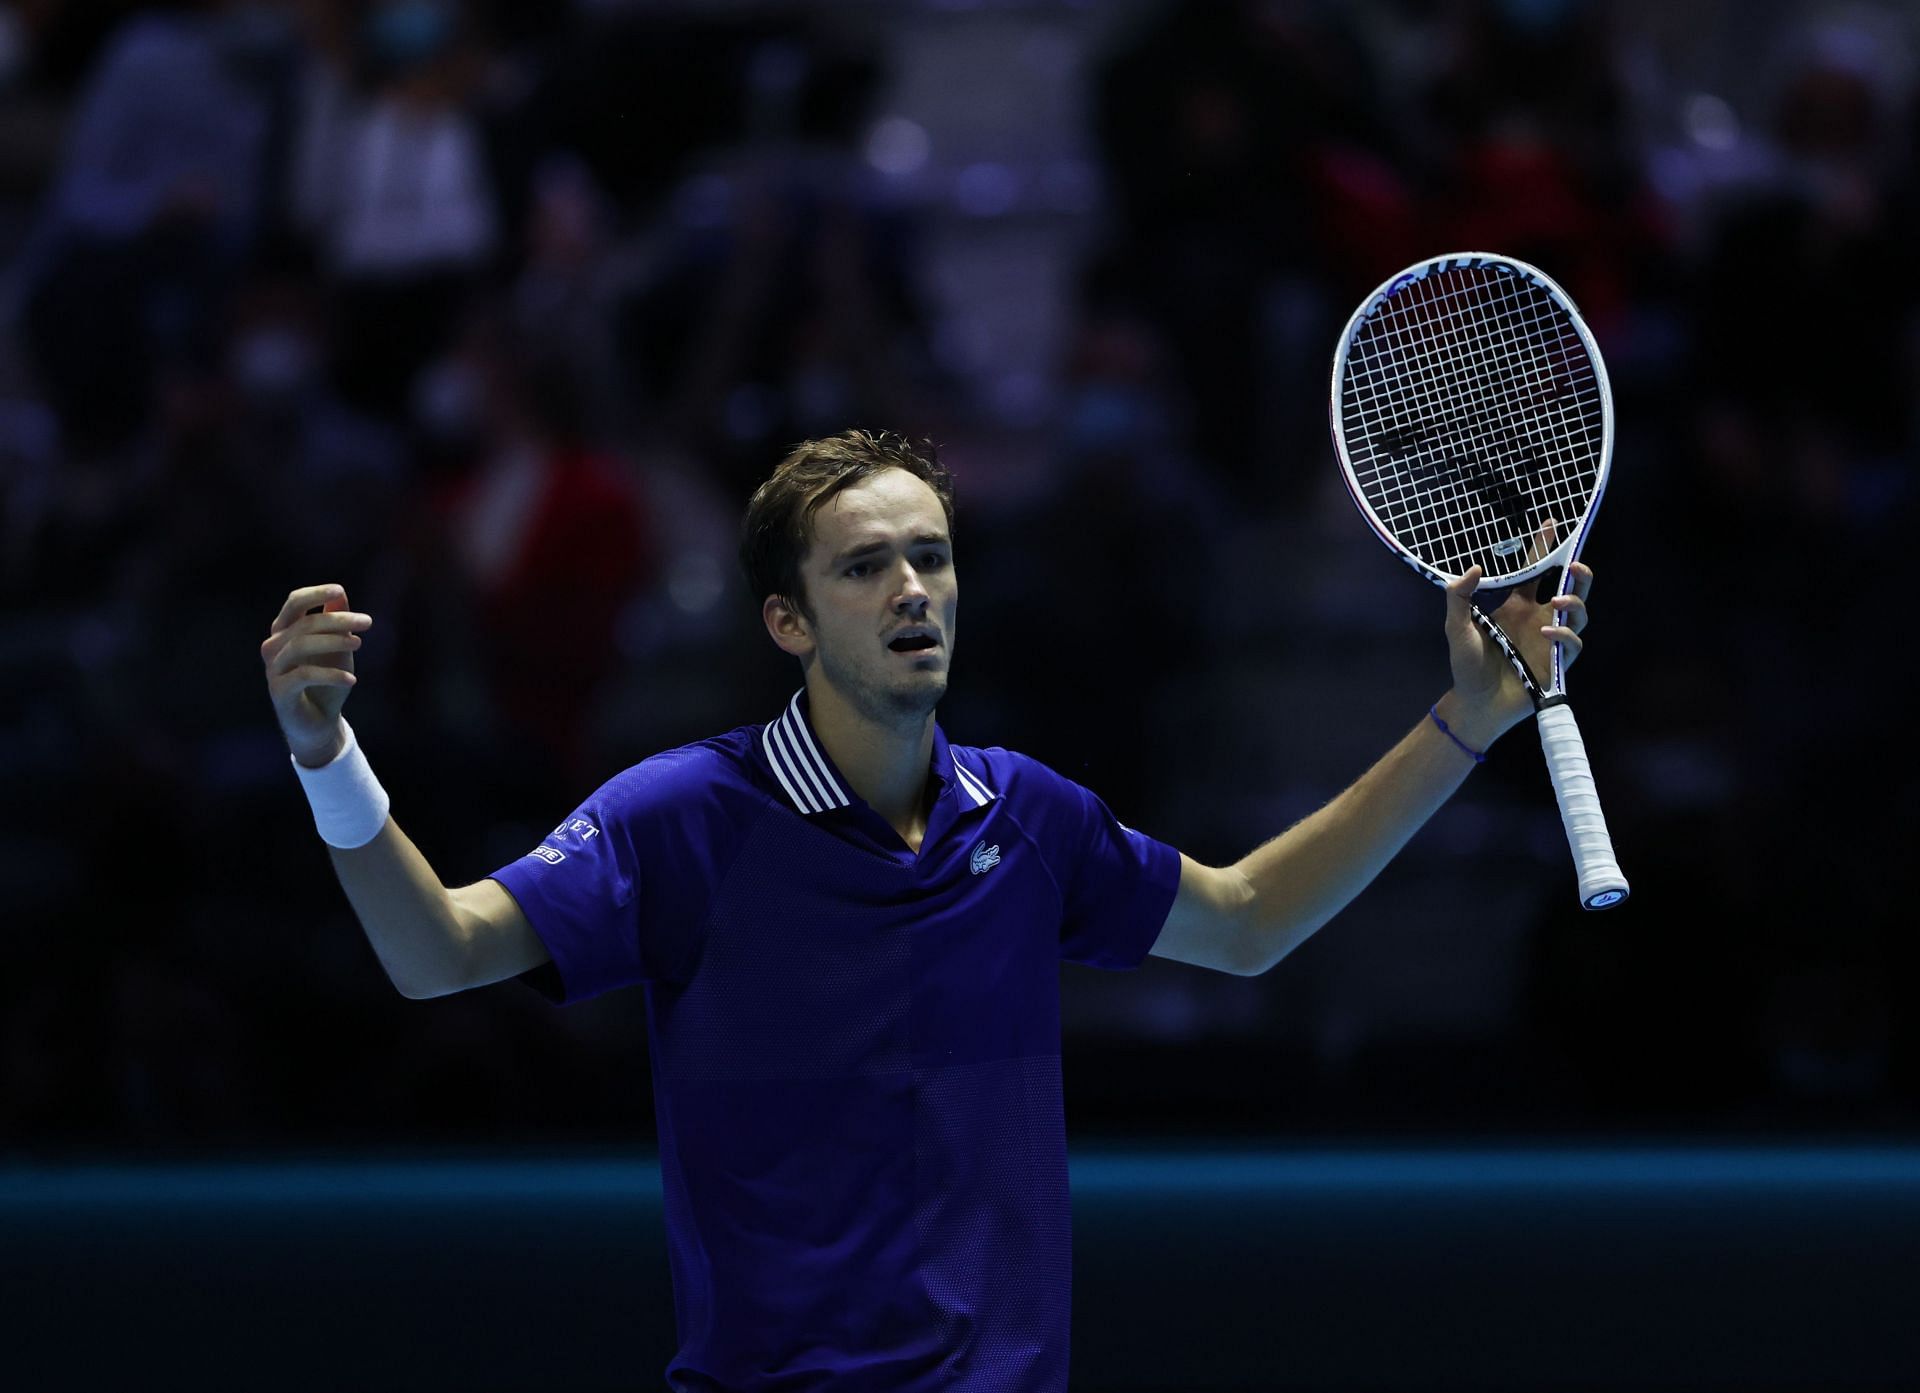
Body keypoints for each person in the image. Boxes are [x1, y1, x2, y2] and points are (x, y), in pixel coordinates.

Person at [260, 428, 1593, 1391]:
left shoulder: (1026, 816)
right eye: (865, 567)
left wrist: (1465, 723)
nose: (913, 589)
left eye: (933, 558)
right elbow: (436, 952)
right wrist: (327, 753)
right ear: (787, 619)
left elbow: (1246, 920)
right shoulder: (683, 817)